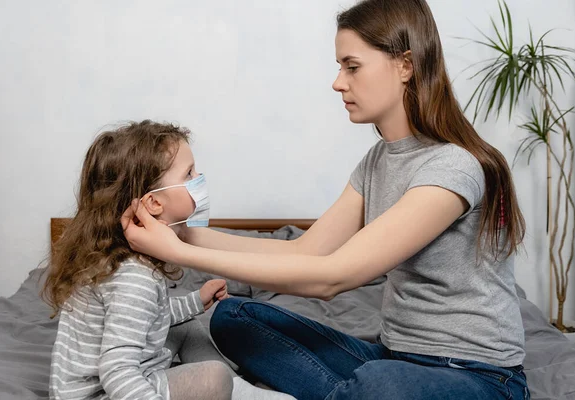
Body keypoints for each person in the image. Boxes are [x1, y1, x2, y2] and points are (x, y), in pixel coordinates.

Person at [120, 0, 530, 399]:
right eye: (340, 68)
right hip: (393, 356)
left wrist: (180, 253)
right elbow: (306, 251)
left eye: (352, 67)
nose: (338, 82)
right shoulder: (377, 162)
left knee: (379, 385)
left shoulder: (452, 167)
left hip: (478, 378)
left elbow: (331, 277)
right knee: (234, 317)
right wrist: (179, 234)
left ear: (405, 65)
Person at [42, 120, 293, 400]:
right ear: (153, 204)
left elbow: (148, 317)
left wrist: (195, 302)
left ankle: (238, 390)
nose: (199, 178)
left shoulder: (117, 259)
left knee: (186, 328)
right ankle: (231, 388)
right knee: (214, 377)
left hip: (110, 381)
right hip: (103, 393)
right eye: (189, 173)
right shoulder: (134, 278)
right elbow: (117, 371)